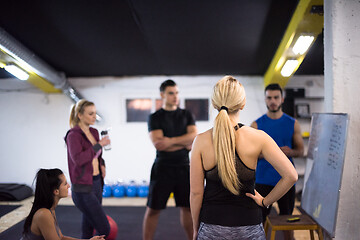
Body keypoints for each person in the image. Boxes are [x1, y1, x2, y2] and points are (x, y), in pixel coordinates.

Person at [190, 76, 298, 240]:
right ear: (243, 103)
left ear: (214, 103)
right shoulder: (259, 137)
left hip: (212, 225)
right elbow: (291, 176)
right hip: (250, 226)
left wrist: (195, 228)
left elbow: (196, 193)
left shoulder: (200, 141)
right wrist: (265, 201)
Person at [142, 79, 198, 240]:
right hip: (162, 168)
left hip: (184, 168)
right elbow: (159, 144)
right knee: (153, 209)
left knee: (188, 208)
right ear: (162, 95)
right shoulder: (155, 117)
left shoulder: (187, 114)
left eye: (177, 93)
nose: (175, 96)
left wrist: (170, 141)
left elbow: (193, 138)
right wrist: (183, 142)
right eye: (171, 93)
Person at [251, 83, 304, 240]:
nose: (273, 101)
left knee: (287, 221)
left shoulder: (293, 123)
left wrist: (291, 152)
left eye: (276, 97)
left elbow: (301, 151)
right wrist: (268, 153)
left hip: (286, 180)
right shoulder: (256, 125)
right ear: (265, 100)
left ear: (282, 99)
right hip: (262, 180)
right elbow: (249, 154)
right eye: (269, 98)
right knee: (259, 222)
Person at [64, 99, 111, 239]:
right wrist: (99, 145)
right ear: (79, 115)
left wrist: (102, 164)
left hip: (96, 182)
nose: (94, 117)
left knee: (88, 227)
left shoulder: (94, 132)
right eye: (90, 114)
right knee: (104, 229)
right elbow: (78, 160)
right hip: (82, 187)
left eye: (95, 113)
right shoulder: (73, 135)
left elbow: (96, 156)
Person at [21, 168, 105, 240]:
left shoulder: (50, 209)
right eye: (65, 184)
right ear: (56, 191)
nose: (68, 186)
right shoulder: (43, 214)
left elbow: (60, 237)